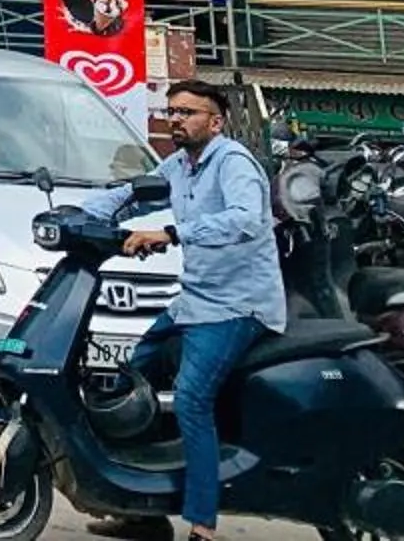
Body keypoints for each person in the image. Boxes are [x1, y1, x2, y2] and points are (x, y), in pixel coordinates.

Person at [84, 78, 286, 541]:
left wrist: (171, 234)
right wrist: (73, 218)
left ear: (215, 122)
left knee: (193, 399)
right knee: (126, 386)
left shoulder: (233, 163)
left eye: (187, 113)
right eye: (171, 112)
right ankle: (141, 512)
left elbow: (245, 218)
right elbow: (133, 195)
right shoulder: (178, 164)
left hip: (239, 305)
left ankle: (202, 525)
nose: (175, 120)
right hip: (194, 299)